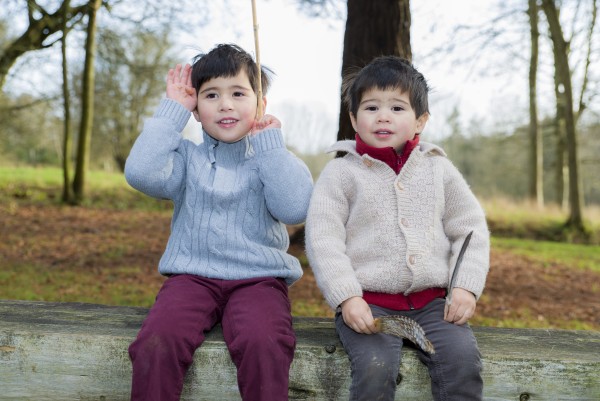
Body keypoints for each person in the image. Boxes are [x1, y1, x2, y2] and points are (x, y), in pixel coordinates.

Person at [125, 43, 313, 401]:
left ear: (261, 104)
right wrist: (172, 113)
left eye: (238, 93)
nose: (225, 104)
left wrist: (271, 148)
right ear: (196, 110)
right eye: (211, 95)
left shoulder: (273, 158)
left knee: (265, 342)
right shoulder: (185, 159)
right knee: (157, 341)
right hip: (191, 278)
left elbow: (295, 209)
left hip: (258, 279)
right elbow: (140, 173)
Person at [305, 55, 490, 401]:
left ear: (420, 120)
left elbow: (470, 229)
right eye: (371, 107)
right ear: (353, 119)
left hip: (434, 304)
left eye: (397, 108)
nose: (383, 116)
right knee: (375, 368)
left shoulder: (438, 169)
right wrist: (347, 297)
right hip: (368, 305)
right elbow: (323, 240)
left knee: (462, 362)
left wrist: (465, 287)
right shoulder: (341, 174)